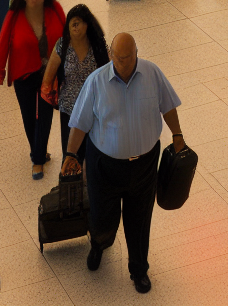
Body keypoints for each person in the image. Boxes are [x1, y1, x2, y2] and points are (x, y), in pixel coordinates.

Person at [60, 32, 186, 294]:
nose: (124, 63)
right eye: (119, 58)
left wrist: (177, 134)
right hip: (104, 166)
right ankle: (98, 244)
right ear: (110, 56)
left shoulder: (152, 74)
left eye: (129, 58)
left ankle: (139, 270)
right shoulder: (96, 82)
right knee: (103, 217)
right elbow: (80, 124)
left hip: (144, 164)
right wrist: (70, 155)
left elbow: (168, 106)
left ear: (137, 53)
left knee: (140, 220)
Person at [0, 0, 62, 178]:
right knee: (30, 117)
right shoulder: (14, 15)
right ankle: (38, 151)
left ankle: (38, 160)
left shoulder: (55, 10)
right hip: (23, 75)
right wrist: (0, 69)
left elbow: (68, 35)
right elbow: (3, 41)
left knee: (46, 116)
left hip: (49, 75)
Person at [42, 4, 106, 158]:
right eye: (72, 23)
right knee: (71, 154)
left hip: (94, 109)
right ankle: (72, 180)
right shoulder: (62, 45)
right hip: (69, 110)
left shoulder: (98, 46)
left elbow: (107, 75)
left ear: (87, 25)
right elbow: (47, 80)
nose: (74, 27)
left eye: (77, 23)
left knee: (94, 152)